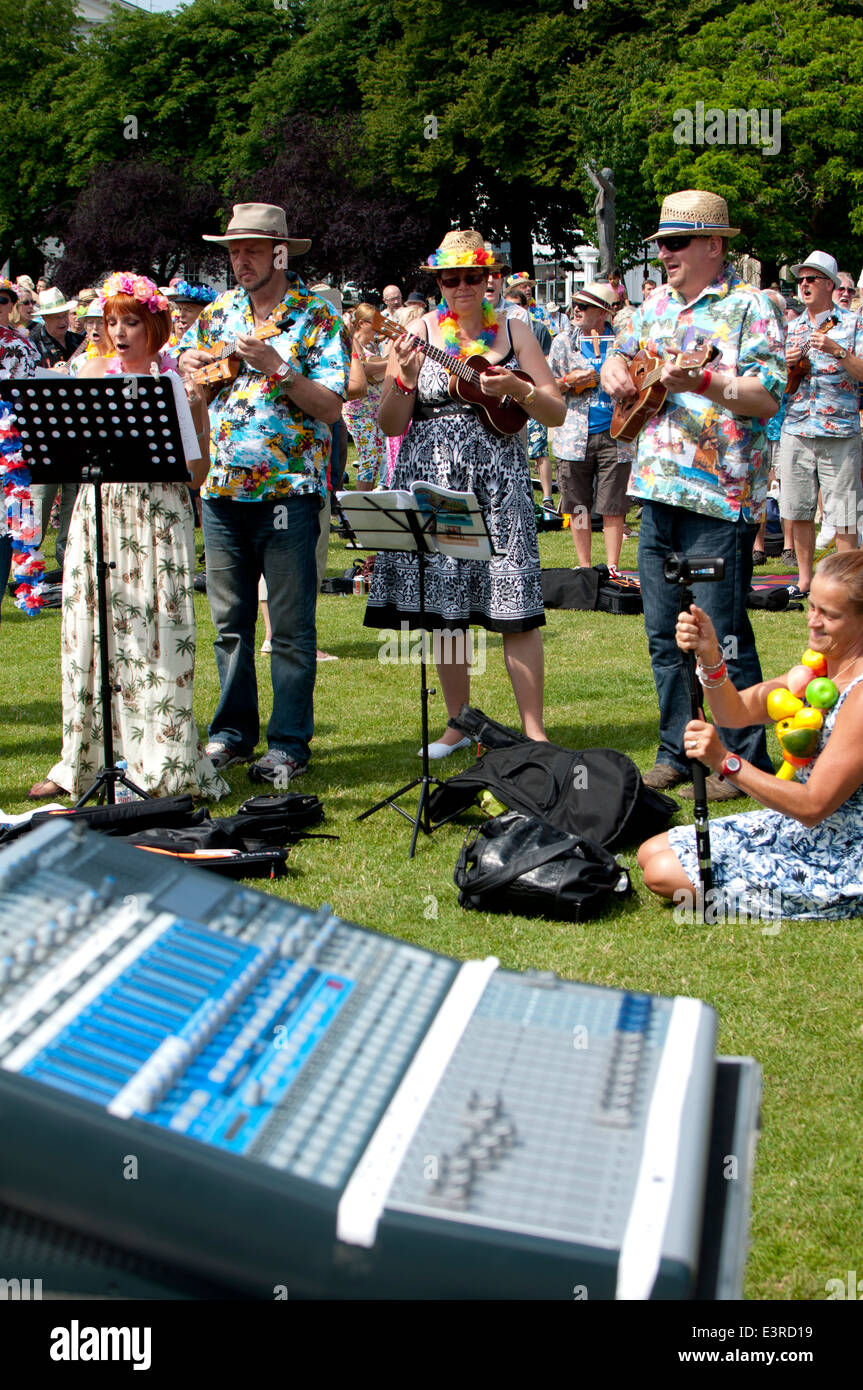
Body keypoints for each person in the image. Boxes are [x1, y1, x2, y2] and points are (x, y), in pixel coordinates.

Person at [601, 188, 786, 801]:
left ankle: (740, 757)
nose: (665, 255)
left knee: (720, 630)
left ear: (714, 244)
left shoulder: (749, 307)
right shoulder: (651, 305)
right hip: (655, 490)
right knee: (662, 631)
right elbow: (617, 365)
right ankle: (676, 750)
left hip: (721, 496)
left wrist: (706, 381)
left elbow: (765, 396)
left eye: (676, 243)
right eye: (659, 245)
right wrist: (615, 373)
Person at [365, 228, 565, 756]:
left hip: (499, 481)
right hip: (435, 477)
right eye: (449, 279)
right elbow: (388, 424)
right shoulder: (416, 331)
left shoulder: (517, 330)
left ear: (487, 278)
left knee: (514, 603)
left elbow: (556, 410)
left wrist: (518, 389)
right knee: (447, 608)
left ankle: (534, 731)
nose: (460, 287)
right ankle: (458, 724)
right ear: (438, 283)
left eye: (470, 277)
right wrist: (405, 379)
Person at [28, 271, 226, 802]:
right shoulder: (90, 371)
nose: (118, 332)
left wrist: (199, 412)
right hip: (100, 508)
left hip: (157, 516)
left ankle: (161, 758)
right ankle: (81, 759)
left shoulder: (173, 384)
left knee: (156, 635)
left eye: (130, 321)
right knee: (90, 633)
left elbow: (196, 475)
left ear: (154, 325)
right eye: (111, 321)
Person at [178, 202, 350, 784]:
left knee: (292, 627)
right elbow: (187, 380)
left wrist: (278, 368)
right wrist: (191, 370)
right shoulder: (218, 312)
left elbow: (330, 408)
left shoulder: (317, 318)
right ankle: (231, 734)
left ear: (280, 252)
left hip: (288, 493)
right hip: (221, 491)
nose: (240, 259)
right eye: (233, 249)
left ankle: (289, 742)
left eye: (251, 248)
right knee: (230, 623)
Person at [638, 552, 863, 920]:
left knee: (665, 875)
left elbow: (811, 806)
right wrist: (710, 651)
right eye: (813, 607)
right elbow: (734, 712)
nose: (813, 621)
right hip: (803, 829)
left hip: (843, 852)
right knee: (650, 853)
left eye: (830, 615)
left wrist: (725, 761)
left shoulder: (860, 696)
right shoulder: (817, 672)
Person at [777, 250, 863, 599]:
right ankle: (805, 580)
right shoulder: (792, 326)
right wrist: (786, 364)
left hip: (839, 431)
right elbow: (774, 380)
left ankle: (847, 587)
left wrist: (837, 350)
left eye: (811, 279)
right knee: (798, 509)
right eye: (801, 280)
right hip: (796, 427)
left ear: (830, 284)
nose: (804, 284)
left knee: (843, 511)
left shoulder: (853, 324)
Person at [549, 281, 632, 572]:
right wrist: (568, 382)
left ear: (604, 312)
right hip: (573, 436)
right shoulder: (563, 342)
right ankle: (584, 567)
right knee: (578, 504)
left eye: (583, 307)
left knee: (613, 505)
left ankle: (613, 568)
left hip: (617, 433)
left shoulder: (623, 343)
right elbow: (547, 387)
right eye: (575, 305)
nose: (576, 311)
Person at [342, 302, 388, 490]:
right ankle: (362, 504)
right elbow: (364, 368)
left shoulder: (371, 345)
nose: (378, 327)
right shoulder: (353, 343)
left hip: (373, 411)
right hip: (358, 412)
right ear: (361, 323)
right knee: (369, 460)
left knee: (375, 459)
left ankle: (366, 503)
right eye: (374, 322)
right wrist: (389, 362)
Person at [29, 288, 83, 368]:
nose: (63, 322)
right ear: (44, 317)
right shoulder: (33, 344)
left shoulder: (79, 341)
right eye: (57, 317)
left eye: (65, 315)